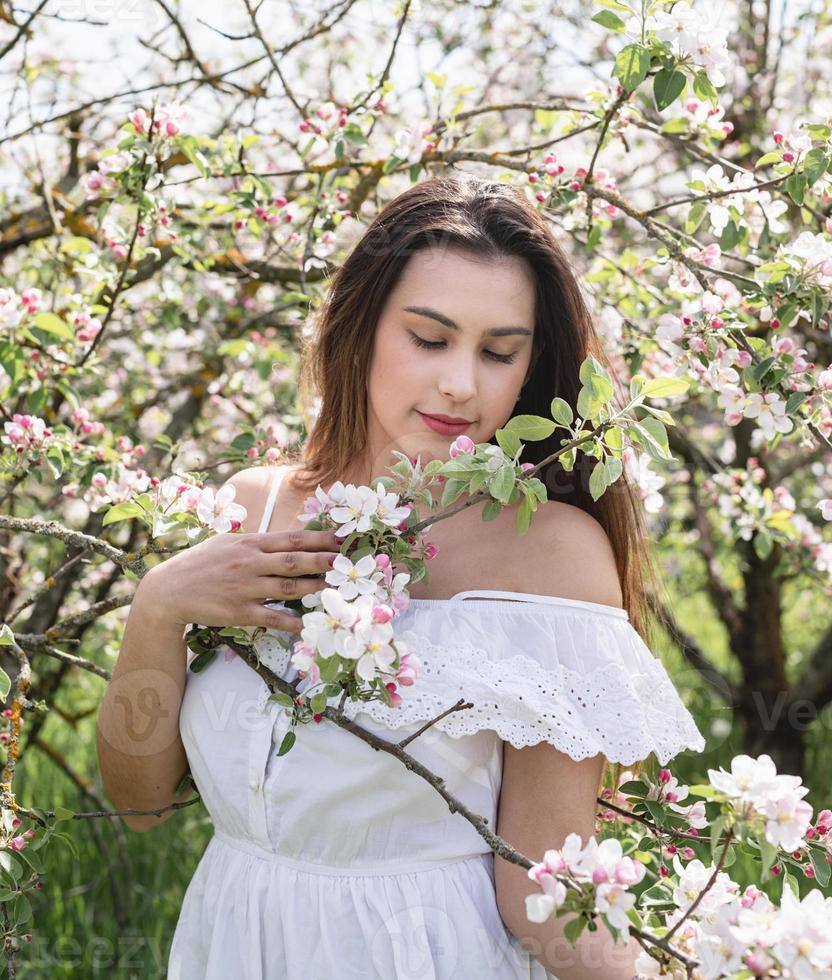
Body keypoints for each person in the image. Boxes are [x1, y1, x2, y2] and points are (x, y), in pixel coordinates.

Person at [97, 173, 706, 979]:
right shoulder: (254, 510)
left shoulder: (553, 556)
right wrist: (156, 607)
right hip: (237, 946)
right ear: (362, 329)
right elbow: (140, 806)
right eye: (429, 338)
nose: (461, 383)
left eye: (498, 352)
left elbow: (539, 886)